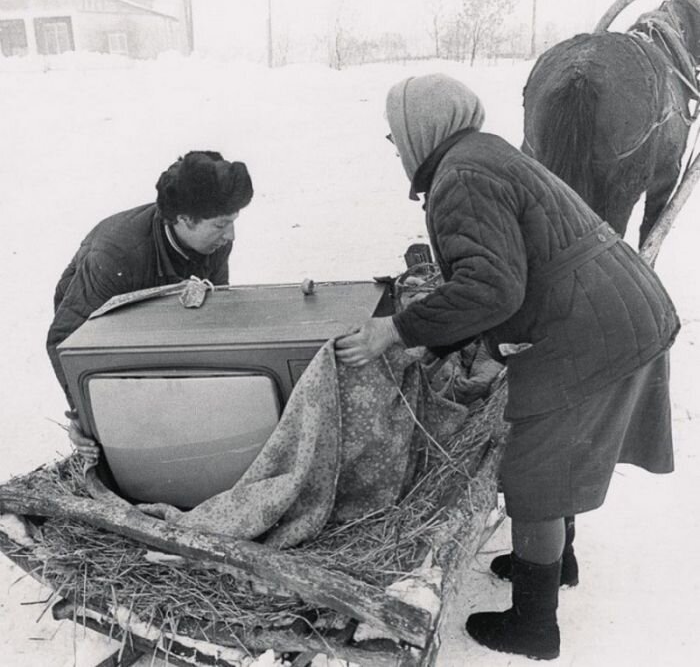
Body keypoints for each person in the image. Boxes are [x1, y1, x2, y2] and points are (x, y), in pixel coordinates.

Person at [335, 74, 678, 660]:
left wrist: (396, 329)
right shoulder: (484, 151)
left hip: (592, 325)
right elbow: (514, 265)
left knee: (534, 473)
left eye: (396, 136)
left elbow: (491, 287)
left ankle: (533, 625)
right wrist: (470, 347)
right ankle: (555, 562)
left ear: (422, 129)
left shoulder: (461, 177)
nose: (397, 149)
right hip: (616, 306)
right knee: (560, 456)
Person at [47, 150, 253, 466]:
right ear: (184, 219)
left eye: (233, 222)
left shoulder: (216, 240)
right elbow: (65, 338)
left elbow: (214, 313)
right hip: (105, 330)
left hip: (165, 322)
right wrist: (81, 417)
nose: (230, 236)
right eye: (221, 225)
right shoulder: (116, 254)